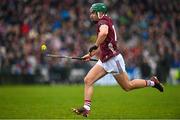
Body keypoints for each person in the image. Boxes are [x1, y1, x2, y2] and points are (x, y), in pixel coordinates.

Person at [72, 3, 164, 117]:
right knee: (88, 80)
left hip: (114, 60)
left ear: (99, 13)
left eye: (92, 13)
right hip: (105, 60)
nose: (90, 15)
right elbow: (104, 44)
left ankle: (152, 82)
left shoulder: (103, 22)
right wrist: (90, 54)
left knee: (128, 86)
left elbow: (104, 33)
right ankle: (86, 108)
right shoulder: (106, 20)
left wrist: (95, 45)